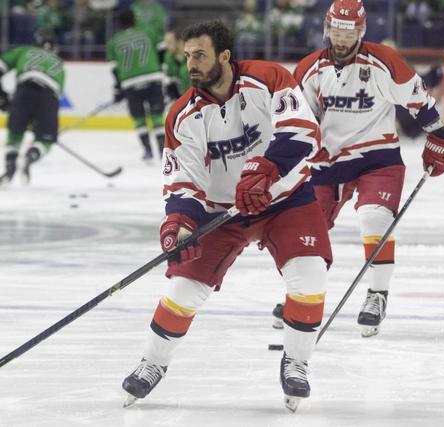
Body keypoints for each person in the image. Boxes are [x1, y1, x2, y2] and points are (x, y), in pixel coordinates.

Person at [121, 20, 333, 412]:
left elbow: (303, 130)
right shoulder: (182, 115)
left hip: (286, 200)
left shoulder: (268, 79)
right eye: (188, 56)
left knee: (310, 274)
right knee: (183, 291)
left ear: (224, 56)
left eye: (200, 55)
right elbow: (183, 180)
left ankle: (296, 363)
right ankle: (152, 363)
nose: (191, 64)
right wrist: (179, 222)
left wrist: (266, 169)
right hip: (222, 213)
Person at [272, 0, 444, 337]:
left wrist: (438, 136)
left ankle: (377, 295)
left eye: (350, 32)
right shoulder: (310, 68)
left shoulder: (383, 62)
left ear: (361, 31)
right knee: (307, 230)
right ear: (327, 29)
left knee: (374, 217)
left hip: (377, 157)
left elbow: (418, 100)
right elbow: (299, 120)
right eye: (337, 31)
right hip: (327, 162)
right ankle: (302, 295)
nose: (342, 39)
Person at [0, 29, 65, 185]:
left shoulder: (25, 51)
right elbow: (57, 97)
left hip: (24, 90)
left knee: (15, 133)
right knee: (45, 141)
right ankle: (31, 156)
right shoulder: (59, 63)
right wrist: (48, 130)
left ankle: (9, 169)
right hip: (49, 95)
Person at [107, 9, 164, 161]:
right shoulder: (148, 31)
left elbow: (114, 69)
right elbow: (162, 51)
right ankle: (162, 150)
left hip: (130, 83)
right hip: (153, 77)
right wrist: (161, 69)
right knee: (157, 116)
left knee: (139, 119)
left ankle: (147, 150)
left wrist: (118, 88)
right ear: (135, 19)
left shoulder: (113, 41)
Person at [162, 28, 190, 105]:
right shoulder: (168, 58)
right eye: (166, 43)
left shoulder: (193, 57)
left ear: (180, 42)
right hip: (181, 99)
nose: (167, 46)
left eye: (170, 42)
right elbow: (169, 80)